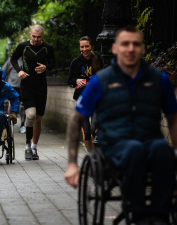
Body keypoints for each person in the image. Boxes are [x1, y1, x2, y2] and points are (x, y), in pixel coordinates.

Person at [64, 26, 177, 225]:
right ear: (115, 48)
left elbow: (173, 119)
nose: (131, 48)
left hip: (151, 141)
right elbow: (76, 119)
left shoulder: (159, 80)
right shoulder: (101, 81)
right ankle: (139, 213)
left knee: (163, 151)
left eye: (136, 44)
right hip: (114, 146)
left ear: (143, 48)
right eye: (125, 44)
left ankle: (159, 214)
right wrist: (72, 164)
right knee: (134, 150)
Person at [11, 24, 55, 160]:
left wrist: (46, 67)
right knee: (31, 115)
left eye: (39, 37)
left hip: (41, 86)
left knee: (39, 118)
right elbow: (13, 59)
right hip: (27, 85)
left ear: (43, 36)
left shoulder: (48, 48)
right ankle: (27, 146)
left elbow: (53, 64)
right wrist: (20, 71)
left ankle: (34, 147)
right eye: (34, 36)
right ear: (30, 34)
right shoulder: (23, 46)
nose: (36, 39)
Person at [68, 36, 102, 152]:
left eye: (86, 46)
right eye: (82, 47)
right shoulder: (76, 63)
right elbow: (70, 81)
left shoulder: (98, 59)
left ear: (91, 46)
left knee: (94, 129)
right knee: (87, 132)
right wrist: (77, 81)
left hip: (96, 98)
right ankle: (91, 156)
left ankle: (96, 154)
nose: (84, 49)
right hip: (82, 99)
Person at [2, 57, 26, 134]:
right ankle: (10, 123)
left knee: (24, 106)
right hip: (13, 86)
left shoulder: (27, 61)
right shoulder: (11, 60)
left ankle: (22, 125)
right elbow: (4, 71)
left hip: (24, 86)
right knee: (12, 104)